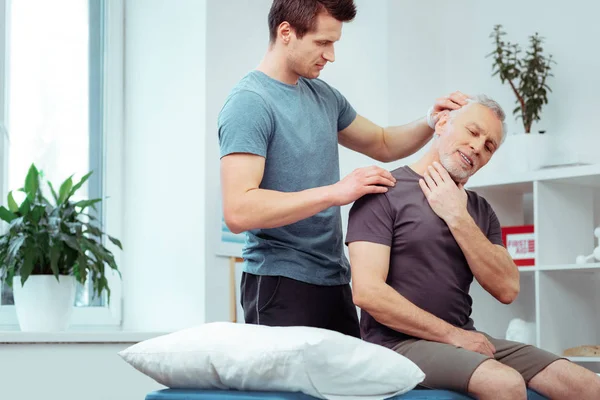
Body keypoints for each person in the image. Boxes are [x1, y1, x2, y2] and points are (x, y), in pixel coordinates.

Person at [218, 0, 468, 338]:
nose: (331, 55)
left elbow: (382, 142)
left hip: (334, 278)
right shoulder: (250, 103)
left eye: (334, 43)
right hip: (280, 280)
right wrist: (337, 193)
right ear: (286, 32)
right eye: (322, 43)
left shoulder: (323, 95)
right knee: (292, 392)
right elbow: (238, 210)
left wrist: (429, 119)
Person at [345, 94, 600, 399]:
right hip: (396, 343)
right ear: (441, 123)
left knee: (587, 385)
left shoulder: (479, 210)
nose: (478, 147)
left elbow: (507, 288)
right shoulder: (383, 192)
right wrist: (454, 336)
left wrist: (456, 215)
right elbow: (367, 292)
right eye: (473, 132)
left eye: (489, 146)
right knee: (504, 382)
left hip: (463, 337)